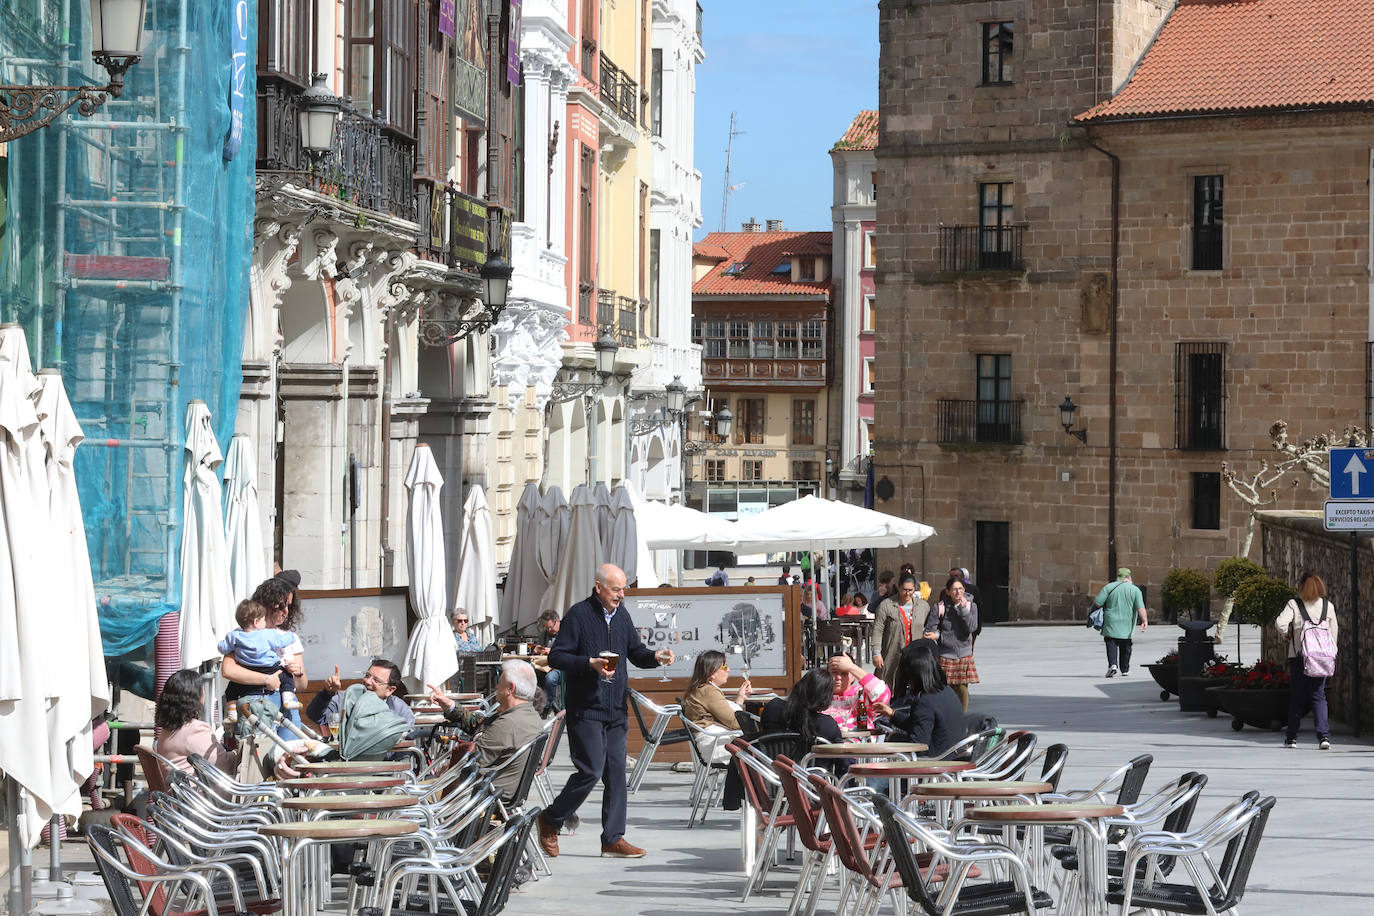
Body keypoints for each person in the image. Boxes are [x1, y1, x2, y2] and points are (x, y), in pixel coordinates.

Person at [537, 564, 673, 859]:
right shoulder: (578, 615)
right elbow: (557, 656)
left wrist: (656, 657)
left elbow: (635, 653)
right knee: (590, 771)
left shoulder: (622, 615)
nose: (621, 595)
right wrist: (589, 663)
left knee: (616, 774)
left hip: (615, 709)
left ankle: (613, 838)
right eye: (615, 589)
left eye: (623, 589)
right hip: (586, 708)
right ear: (598, 587)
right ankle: (551, 818)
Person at [428, 660, 544, 799]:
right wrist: (449, 704)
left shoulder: (508, 724)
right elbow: (480, 724)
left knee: (407, 796)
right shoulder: (529, 715)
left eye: (499, 683)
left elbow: (470, 761)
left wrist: (445, 768)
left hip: (477, 795)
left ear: (510, 689)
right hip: (492, 791)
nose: (496, 687)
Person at [221, 577, 309, 738]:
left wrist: (299, 672)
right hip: (256, 704)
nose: (286, 611)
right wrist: (266, 679)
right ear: (268, 603)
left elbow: (302, 685)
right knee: (259, 757)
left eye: (289, 606)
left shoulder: (289, 637)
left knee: (290, 755)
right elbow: (227, 670)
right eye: (282, 605)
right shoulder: (244, 634)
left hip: (286, 705)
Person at [1276, 571, 1338, 750]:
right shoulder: (1328, 606)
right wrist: (1331, 653)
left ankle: (1292, 738)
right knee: (1318, 695)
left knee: (1297, 696)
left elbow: (1280, 623)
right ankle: (1323, 737)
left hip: (1299, 657)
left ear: (1302, 586)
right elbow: (1334, 634)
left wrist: (1287, 635)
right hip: (1322, 658)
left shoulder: (1294, 604)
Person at [873, 640, 966, 756]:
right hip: (954, 755)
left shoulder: (925, 701)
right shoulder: (946, 691)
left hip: (937, 760)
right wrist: (892, 714)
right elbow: (920, 725)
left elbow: (918, 744)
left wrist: (895, 737)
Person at [217, 600, 297, 710]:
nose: (264, 622)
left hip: (248, 668)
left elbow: (223, 648)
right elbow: (281, 641)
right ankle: (288, 698)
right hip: (269, 668)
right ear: (256, 622)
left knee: (232, 687)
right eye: (263, 619)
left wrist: (221, 645)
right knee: (286, 676)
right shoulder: (267, 634)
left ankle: (232, 708)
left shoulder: (234, 636)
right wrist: (291, 636)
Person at [155, 669, 239, 773]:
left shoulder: (167, 730)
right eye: (202, 689)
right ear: (196, 696)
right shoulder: (194, 730)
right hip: (197, 788)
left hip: (177, 787)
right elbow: (223, 764)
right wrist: (237, 753)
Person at [306, 659, 416, 736]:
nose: (368, 681)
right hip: (347, 763)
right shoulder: (344, 699)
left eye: (376, 680)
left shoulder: (400, 710)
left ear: (390, 690)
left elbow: (405, 743)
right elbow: (315, 716)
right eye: (367, 676)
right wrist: (327, 693)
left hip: (385, 765)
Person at [682, 650, 751, 764]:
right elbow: (735, 723)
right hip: (717, 747)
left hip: (714, 743)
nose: (728, 670)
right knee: (764, 746)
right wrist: (759, 725)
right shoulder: (709, 691)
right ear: (712, 672)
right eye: (724, 666)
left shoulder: (701, 689)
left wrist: (740, 699)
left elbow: (726, 718)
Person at [924, 576, 979, 711]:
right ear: (948, 591)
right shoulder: (940, 607)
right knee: (945, 688)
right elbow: (929, 630)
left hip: (964, 653)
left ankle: (961, 715)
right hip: (945, 654)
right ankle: (948, 714)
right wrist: (938, 635)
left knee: (962, 688)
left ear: (964, 590)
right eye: (954, 589)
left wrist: (963, 609)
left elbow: (972, 627)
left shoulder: (971, 606)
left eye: (960, 589)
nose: (957, 592)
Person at [759, 668, 842, 746]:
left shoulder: (773, 708)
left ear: (800, 685)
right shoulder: (828, 725)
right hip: (810, 761)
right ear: (826, 697)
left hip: (772, 760)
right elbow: (843, 758)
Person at [872, 574, 926, 686]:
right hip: (893, 652)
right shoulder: (886, 605)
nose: (907, 593)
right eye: (904, 590)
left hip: (914, 654)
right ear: (898, 587)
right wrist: (876, 653)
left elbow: (930, 625)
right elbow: (878, 630)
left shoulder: (923, 606)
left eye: (910, 590)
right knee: (889, 683)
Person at [1095, 567, 1147, 679]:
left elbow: (1098, 603)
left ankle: (1113, 665)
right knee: (1126, 645)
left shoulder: (1109, 587)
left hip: (1111, 621)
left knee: (1111, 642)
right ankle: (1125, 669)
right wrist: (1144, 620)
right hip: (1127, 623)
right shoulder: (1135, 590)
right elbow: (1140, 607)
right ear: (1128, 577)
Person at [825, 653, 891, 732]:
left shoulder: (860, 694)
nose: (839, 677)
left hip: (857, 741)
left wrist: (852, 667)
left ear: (853, 676)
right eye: (834, 672)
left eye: (844, 673)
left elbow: (883, 696)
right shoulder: (819, 695)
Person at [531, 609, 563, 715]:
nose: (549, 630)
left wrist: (553, 651)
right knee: (528, 672)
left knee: (550, 678)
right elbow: (539, 647)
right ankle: (534, 706)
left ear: (557, 621)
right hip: (545, 666)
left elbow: (571, 651)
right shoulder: (544, 634)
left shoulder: (567, 631)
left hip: (561, 667)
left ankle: (549, 706)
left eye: (550, 627)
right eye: (546, 627)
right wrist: (537, 649)